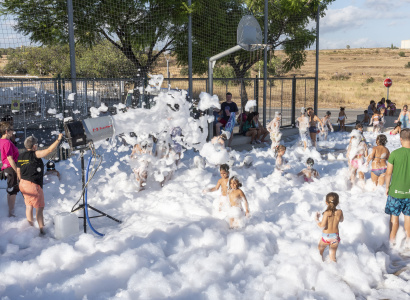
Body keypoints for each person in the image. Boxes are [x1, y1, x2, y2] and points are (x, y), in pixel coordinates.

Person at [17, 134, 63, 234]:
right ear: (34, 146)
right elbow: (49, 151)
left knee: (29, 206)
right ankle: (42, 230)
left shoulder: (21, 156)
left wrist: (22, 181)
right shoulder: (35, 154)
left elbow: (18, 171)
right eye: (36, 144)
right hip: (33, 185)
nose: (37, 146)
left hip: (23, 184)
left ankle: (30, 227)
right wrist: (58, 140)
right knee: (39, 208)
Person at [384, 129, 410, 247]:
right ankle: (408, 242)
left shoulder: (394, 153)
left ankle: (392, 242)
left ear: (400, 139)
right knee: (408, 218)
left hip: (395, 192)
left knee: (394, 219)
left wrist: (387, 188)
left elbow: (388, 173)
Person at [315, 192, 344, 262]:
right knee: (332, 257)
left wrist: (317, 219)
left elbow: (322, 225)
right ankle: (334, 270)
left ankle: (319, 266)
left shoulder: (326, 213)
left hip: (326, 237)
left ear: (326, 202)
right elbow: (341, 220)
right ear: (338, 202)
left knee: (319, 253)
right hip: (335, 237)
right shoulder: (340, 212)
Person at [0, 122, 19, 217]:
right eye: (11, 130)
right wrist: (17, 171)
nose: (13, 132)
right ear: (7, 131)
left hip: (7, 168)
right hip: (11, 168)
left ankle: (10, 211)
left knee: (10, 189)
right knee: (13, 191)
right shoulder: (7, 142)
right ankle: (11, 213)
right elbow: (9, 158)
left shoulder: (2, 141)